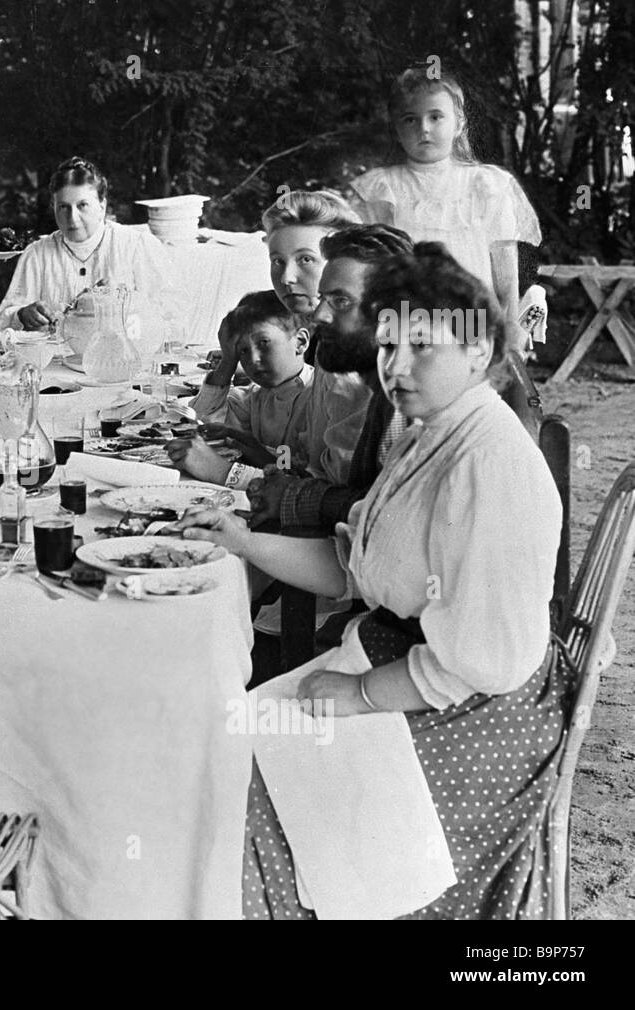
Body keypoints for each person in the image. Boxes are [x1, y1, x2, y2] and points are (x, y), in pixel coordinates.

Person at [171, 245, 565, 918]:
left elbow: (485, 660)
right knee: (223, 739)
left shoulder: (490, 462)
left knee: (253, 781)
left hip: (478, 715)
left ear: (479, 353)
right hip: (410, 663)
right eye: (389, 346)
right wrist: (242, 541)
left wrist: (357, 693)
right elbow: (349, 568)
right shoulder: (426, 431)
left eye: (423, 347)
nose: (397, 367)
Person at [169, 191, 370, 491]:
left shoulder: (350, 366)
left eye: (305, 259)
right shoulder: (328, 347)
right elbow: (305, 468)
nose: (286, 277)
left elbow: (338, 498)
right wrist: (259, 452)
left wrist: (224, 472)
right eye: (277, 261)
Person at [349, 67, 541, 349]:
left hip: (472, 321)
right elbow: (366, 266)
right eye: (410, 119)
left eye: (436, 117)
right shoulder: (382, 189)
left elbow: (505, 267)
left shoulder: (487, 185)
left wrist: (510, 323)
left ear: (459, 124)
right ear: (397, 128)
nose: (423, 128)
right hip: (405, 320)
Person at [245, 224, 417, 532]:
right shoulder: (386, 389)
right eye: (323, 298)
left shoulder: (413, 407)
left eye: (341, 301)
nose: (319, 315)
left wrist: (291, 496)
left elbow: (388, 522)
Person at [0, 156, 174, 332]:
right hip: (53, 360)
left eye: (82, 205)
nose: (72, 218)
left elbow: (172, 313)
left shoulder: (135, 246)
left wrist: (126, 300)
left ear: (102, 206)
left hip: (120, 358)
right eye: (63, 207)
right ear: (53, 207)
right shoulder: (38, 254)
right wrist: (21, 315)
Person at [188, 290, 314, 484]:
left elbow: (300, 474)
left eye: (264, 343)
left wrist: (260, 455)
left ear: (300, 342)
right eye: (243, 351)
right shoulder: (254, 395)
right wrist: (228, 361)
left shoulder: (319, 397)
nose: (253, 359)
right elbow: (200, 415)